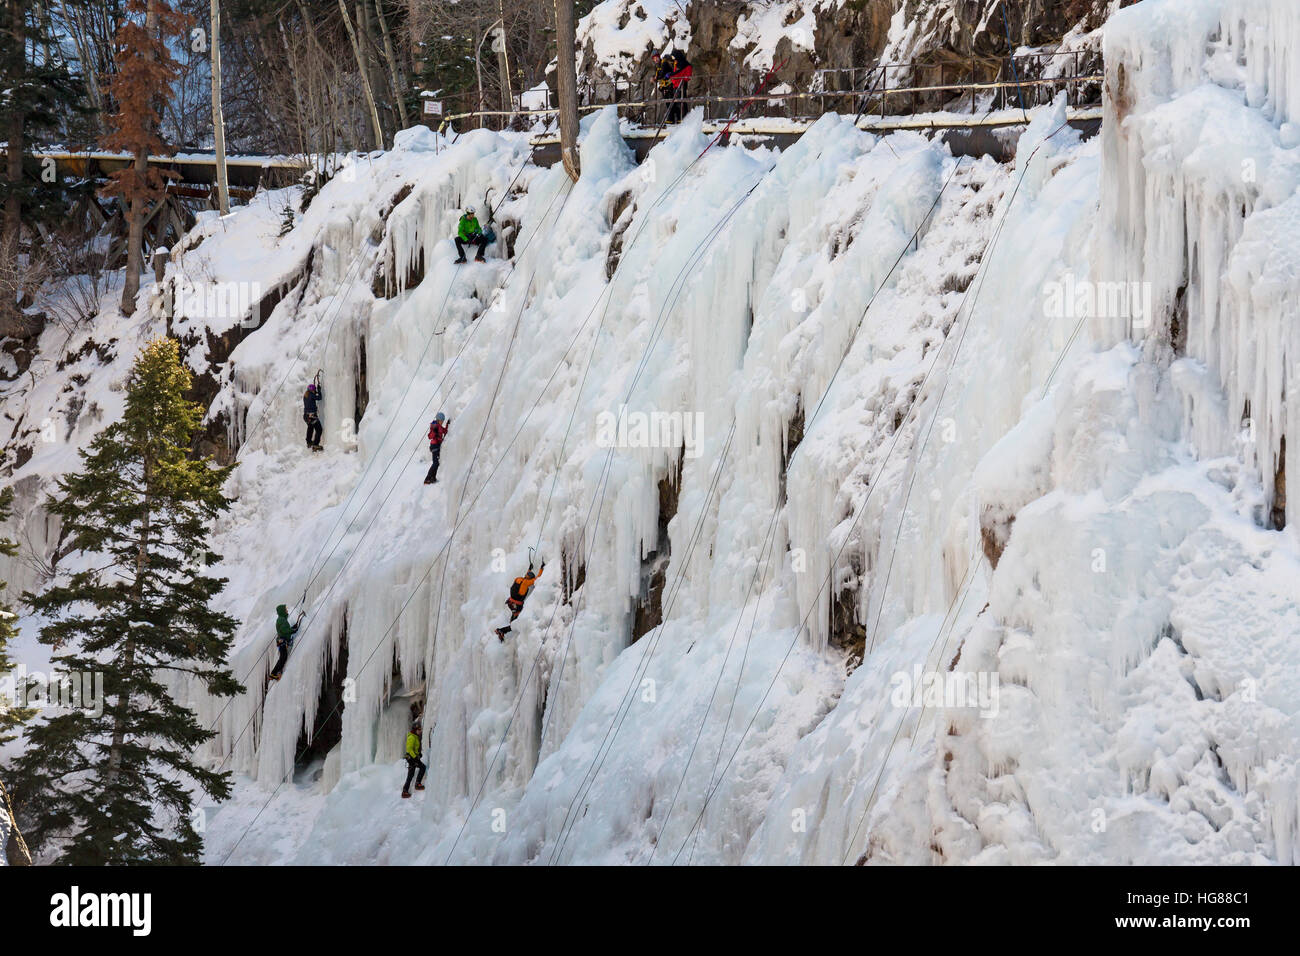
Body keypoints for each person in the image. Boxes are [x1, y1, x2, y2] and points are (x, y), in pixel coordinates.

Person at [495, 559, 545, 640]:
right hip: (516, 605)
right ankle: (501, 630)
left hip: (510, 602)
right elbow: (537, 578)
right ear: (530, 578)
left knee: (513, 620)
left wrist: (529, 569)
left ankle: (502, 631)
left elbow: (525, 577)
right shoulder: (527, 582)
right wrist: (541, 568)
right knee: (515, 623)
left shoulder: (518, 579)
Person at [269, 604, 303, 681]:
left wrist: (293, 628)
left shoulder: (282, 619)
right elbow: (285, 630)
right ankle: (274, 673)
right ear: (282, 611)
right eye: (285, 609)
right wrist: (293, 630)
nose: (287, 610)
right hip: (282, 641)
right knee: (283, 657)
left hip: (282, 641)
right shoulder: (281, 619)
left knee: (282, 657)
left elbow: (285, 629)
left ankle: (273, 673)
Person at [401, 723, 427, 798]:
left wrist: (419, 754)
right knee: (421, 768)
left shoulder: (415, 737)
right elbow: (409, 749)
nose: (420, 731)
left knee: (412, 773)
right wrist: (416, 757)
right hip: (412, 758)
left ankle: (406, 790)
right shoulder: (412, 737)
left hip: (413, 757)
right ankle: (413, 786)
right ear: (415, 730)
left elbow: (414, 749)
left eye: (420, 729)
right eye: (419, 729)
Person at [667, 49, 693, 123]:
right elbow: (676, 72)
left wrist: (671, 75)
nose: (674, 59)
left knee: (681, 102)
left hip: (681, 85)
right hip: (676, 85)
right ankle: (679, 118)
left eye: (674, 57)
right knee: (676, 102)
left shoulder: (684, 65)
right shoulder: (678, 63)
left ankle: (684, 118)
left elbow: (680, 73)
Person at [425, 412, 450, 485]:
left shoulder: (440, 426)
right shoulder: (435, 425)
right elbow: (430, 436)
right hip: (434, 446)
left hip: (437, 446)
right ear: (438, 420)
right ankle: (428, 478)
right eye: (442, 420)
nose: (442, 422)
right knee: (435, 463)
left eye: (443, 421)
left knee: (437, 463)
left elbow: (445, 431)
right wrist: (434, 432)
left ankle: (433, 478)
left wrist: (448, 424)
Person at [652, 52, 675, 123]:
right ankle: (671, 119)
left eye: (656, 58)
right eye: (654, 59)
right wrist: (655, 78)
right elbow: (659, 75)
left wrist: (655, 78)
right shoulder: (657, 66)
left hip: (669, 85)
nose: (655, 60)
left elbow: (662, 74)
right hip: (664, 86)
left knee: (670, 101)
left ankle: (672, 119)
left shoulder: (664, 63)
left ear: (659, 57)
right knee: (668, 102)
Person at [303, 381, 323, 450]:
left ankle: (309, 442)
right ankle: (315, 444)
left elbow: (312, 397)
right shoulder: (311, 395)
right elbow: (319, 398)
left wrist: (315, 391)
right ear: (312, 390)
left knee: (310, 427)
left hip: (306, 416)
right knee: (319, 429)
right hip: (312, 416)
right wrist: (319, 390)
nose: (315, 391)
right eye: (314, 390)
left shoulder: (306, 395)